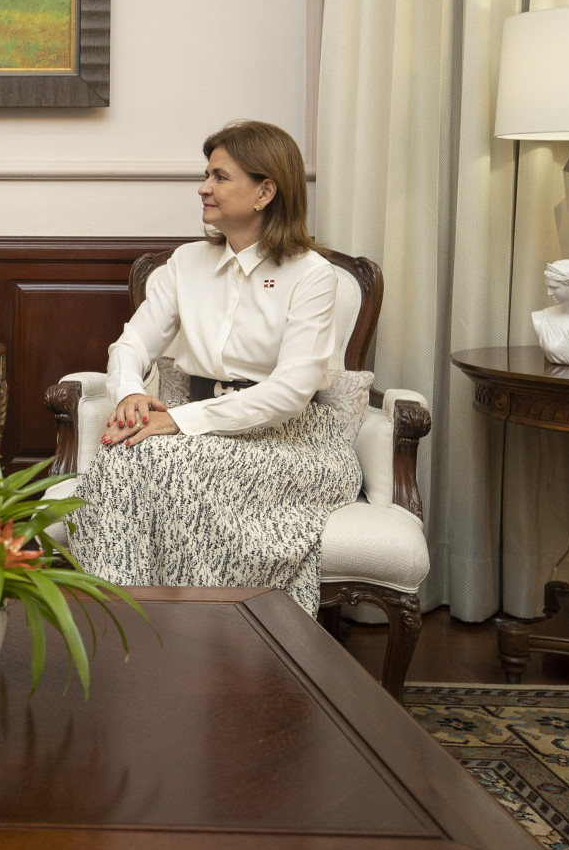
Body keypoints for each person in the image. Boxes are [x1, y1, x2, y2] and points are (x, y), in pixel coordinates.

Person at [70, 120, 360, 613]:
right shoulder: (185, 264)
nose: (204, 187)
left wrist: (179, 421)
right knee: (121, 456)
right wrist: (130, 393)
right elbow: (132, 344)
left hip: (292, 441)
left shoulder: (312, 276)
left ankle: (205, 628)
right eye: (207, 174)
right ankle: (120, 620)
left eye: (220, 177)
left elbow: (291, 392)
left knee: (158, 461)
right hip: (196, 430)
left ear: (265, 191)